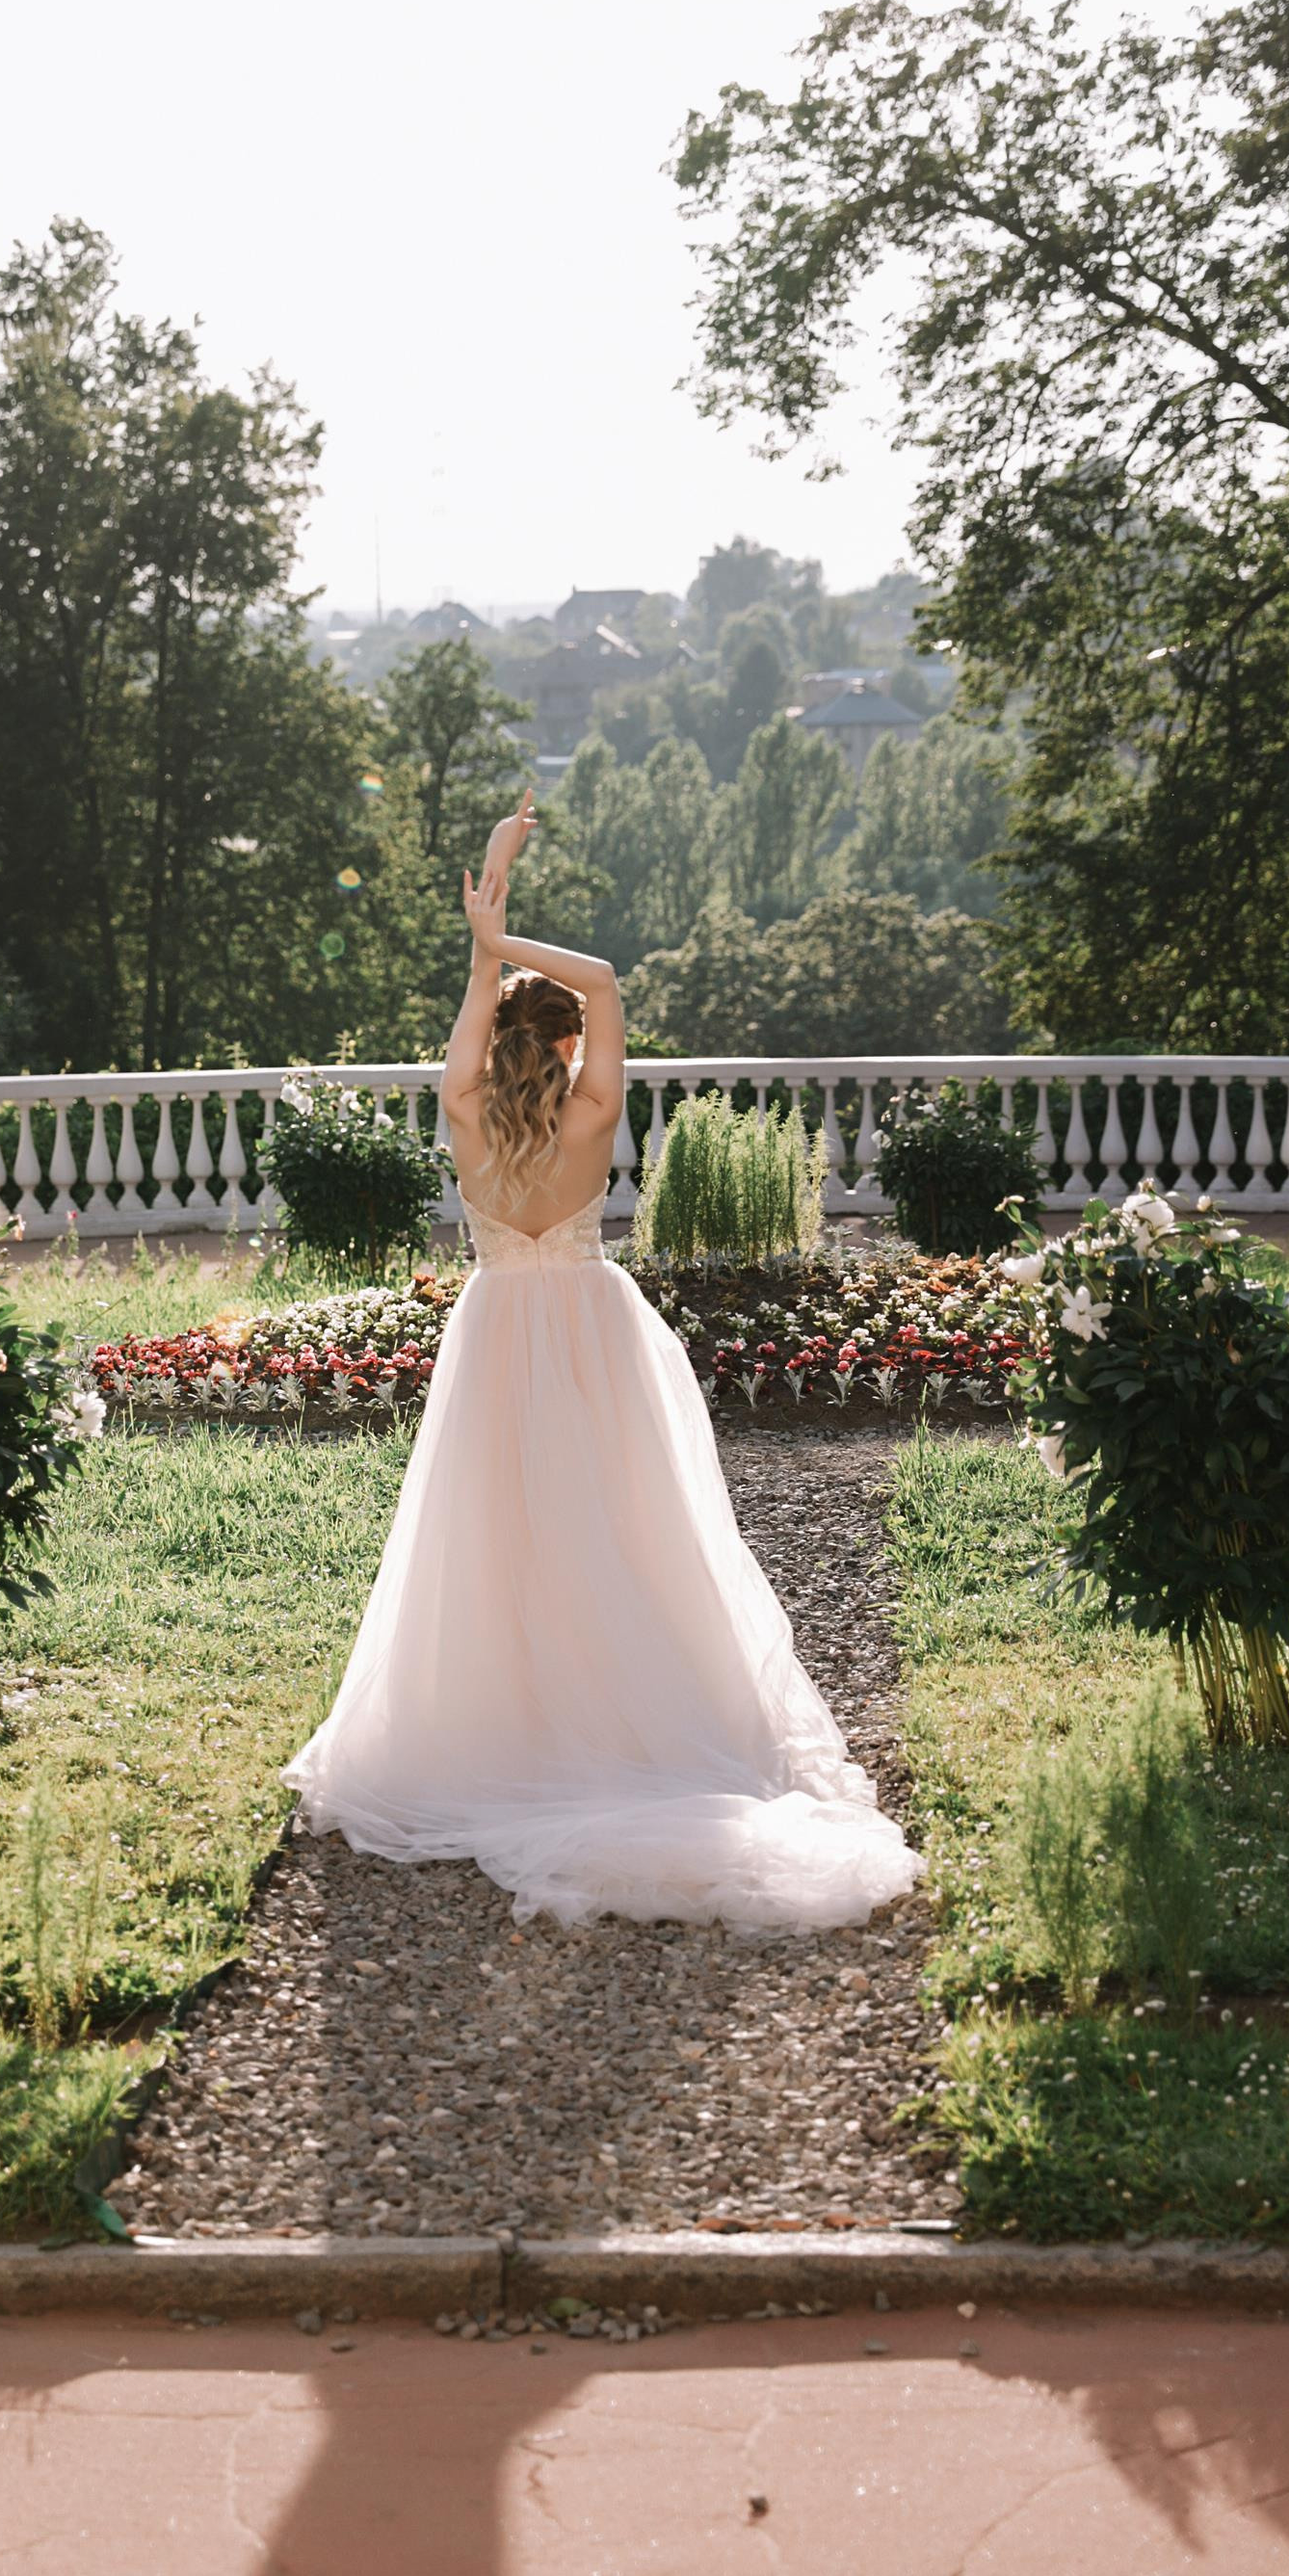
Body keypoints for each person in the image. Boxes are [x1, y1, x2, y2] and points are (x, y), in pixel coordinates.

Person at [285, 788, 921, 1931]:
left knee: (497, 1534)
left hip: (496, 1336)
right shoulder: (592, 1119)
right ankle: (625, 1718)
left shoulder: (463, 1119)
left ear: (494, 1048)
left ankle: (516, 1725)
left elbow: (482, 1026)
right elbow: (608, 979)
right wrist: (502, 929)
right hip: (590, 1329)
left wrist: (483, 927)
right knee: (624, 1521)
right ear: (568, 1046)